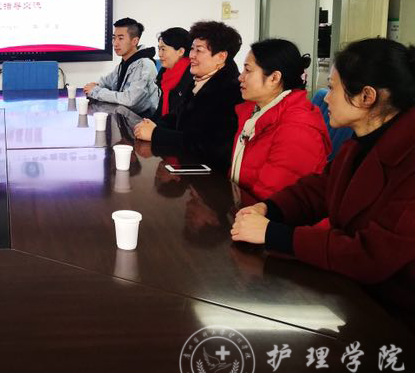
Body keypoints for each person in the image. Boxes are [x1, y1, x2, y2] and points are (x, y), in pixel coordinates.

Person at [232, 38, 415, 307]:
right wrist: (270, 209)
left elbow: (372, 255)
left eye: (332, 88)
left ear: (367, 97)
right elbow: (321, 188)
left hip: (394, 311)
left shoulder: (407, 159)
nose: (325, 98)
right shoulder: (362, 141)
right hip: (353, 292)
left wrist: (275, 234)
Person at [134, 20, 242, 171]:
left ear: (221, 57)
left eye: (199, 50)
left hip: (209, 176)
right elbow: (177, 115)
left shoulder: (230, 92)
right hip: (186, 164)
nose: (191, 55)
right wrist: (152, 126)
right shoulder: (200, 80)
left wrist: (156, 134)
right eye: (192, 49)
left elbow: (209, 145)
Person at [231, 39, 330, 200]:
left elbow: (273, 199)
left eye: (248, 70)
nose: (240, 77)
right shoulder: (254, 113)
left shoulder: (297, 129)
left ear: (274, 78)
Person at [83, 17, 159, 115]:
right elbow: (105, 82)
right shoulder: (124, 64)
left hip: (142, 120)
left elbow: (130, 100)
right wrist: (96, 86)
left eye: (120, 38)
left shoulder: (145, 65)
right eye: (114, 38)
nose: (115, 43)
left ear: (135, 41)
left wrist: (96, 91)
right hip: (124, 116)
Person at [153, 27, 193, 119]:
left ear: (181, 51)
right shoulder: (164, 75)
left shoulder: (191, 76)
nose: (159, 54)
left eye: (163, 49)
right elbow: (159, 112)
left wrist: (156, 127)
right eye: (159, 49)